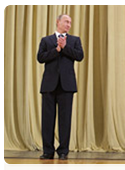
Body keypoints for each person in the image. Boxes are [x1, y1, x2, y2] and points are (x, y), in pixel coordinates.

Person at [37, 14, 84, 160]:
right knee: (47, 120)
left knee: (65, 120)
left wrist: (64, 48)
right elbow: (40, 58)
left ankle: (63, 151)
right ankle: (48, 151)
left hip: (67, 85)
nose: (69, 24)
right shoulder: (46, 40)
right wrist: (56, 50)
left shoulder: (75, 40)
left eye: (70, 22)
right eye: (66, 21)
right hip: (49, 85)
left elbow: (79, 56)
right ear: (58, 22)